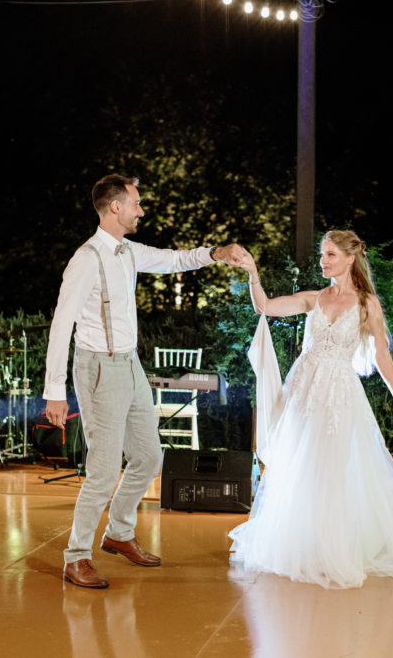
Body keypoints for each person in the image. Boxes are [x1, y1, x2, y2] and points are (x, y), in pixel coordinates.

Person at [44, 173, 245, 589]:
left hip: (130, 364)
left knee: (149, 457)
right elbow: (61, 325)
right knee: (103, 471)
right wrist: (54, 391)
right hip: (98, 367)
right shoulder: (86, 259)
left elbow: (175, 260)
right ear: (115, 206)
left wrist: (217, 253)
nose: (141, 210)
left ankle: (119, 532)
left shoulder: (129, 251)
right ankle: (76, 557)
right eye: (136, 203)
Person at [229, 230, 393, 589]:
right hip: (303, 392)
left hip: (339, 395)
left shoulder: (367, 304)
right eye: (322, 255)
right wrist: (252, 272)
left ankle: (332, 550)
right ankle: (300, 545)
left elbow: (381, 353)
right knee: (300, 466)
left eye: (331, 254)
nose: (324, 261)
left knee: (332, 468)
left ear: (350, 259)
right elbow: (264, 307)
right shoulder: (314, 298)